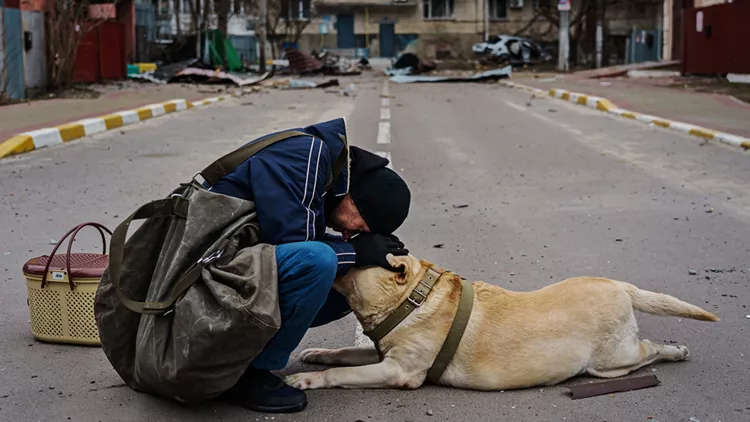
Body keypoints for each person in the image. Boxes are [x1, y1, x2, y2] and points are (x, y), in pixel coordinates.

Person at [207, 118, 411, 413]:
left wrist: (359, 256)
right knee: (322, 261)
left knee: (351, 273)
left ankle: (242, 353)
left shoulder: (322, 172)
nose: (347, 233)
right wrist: (354, 250)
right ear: (355, 199)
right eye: (359, 226)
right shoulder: (307, 155)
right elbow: (295, 247)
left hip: (225, 265)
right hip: (200, 270)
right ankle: (250, 376)